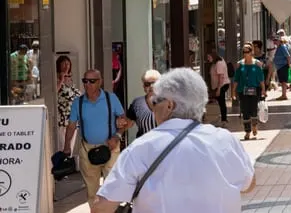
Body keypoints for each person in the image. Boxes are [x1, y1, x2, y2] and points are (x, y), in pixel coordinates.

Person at [91, 68, 255, 213]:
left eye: (155, 102)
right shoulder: (224, 140)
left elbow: (102, 206)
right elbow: (249, 184)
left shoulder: (141, 148)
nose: (153, 107)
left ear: (170, 105)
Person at [63, 69, 126, 204]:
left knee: (112, 188)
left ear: (100, 82)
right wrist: (67, 146)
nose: (88, 84)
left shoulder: (111, 99)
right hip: (88, 150)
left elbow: (124, 120)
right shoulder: (78, 103)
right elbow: (71, 126)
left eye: (92, 81)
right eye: (85, 81)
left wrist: (117, 136)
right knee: (92, 192)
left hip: (110, 147)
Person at [232, 44, 266, 141]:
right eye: (244, 52)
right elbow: (236, 79)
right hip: (243, 90)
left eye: (247, 52)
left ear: (251, 52)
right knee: (245, 110)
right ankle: (247, 131)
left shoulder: (257, 64)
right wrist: (233, 92)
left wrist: (263, 90)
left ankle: (254, 125)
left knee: (253, 109)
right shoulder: (240, 64)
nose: (245, 54)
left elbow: (261, 79)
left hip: (254, 90)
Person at [122, 70, 160, 139]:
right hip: (144, 145)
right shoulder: (137, 103)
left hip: (165, 145)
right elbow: (128, 123)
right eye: (147, 84)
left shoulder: (169, 102)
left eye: (154, 83)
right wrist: (117, 134)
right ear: (143, 87)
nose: (151, 86)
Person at [56, 56, 81, 157]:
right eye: (64, 63)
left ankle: (69, 164)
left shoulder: (70, 78)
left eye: (68, 63)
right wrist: (61, 79)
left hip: (73, 118)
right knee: (62, 144)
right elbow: (54, 92)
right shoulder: (57, 77)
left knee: (71, 144)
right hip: (62, 118)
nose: (66, 66)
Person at [208, 53, 230, 126]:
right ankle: (221, 119)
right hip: (218, 86)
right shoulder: (215, 63)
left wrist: (218, 89)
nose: (208, 59)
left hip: (221, 85)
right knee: (219, 102)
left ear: (213, 56)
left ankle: (224, 120)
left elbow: (221, 77)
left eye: (209, 57)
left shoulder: (219, 63)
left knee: (221, 102)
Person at [273, 36, 291, 100]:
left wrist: (289, 64)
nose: (274, 42)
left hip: (283, 66)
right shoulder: (278, 47)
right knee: (282, 81)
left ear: (279, 41)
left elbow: (288, 56)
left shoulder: (282, 47)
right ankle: (283, 94)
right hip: (279, 67)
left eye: (276, 40)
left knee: (283, 81)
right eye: (274, 40)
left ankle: (284, 95)